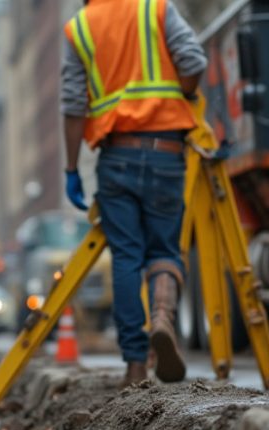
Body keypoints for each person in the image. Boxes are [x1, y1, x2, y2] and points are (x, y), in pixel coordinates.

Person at [61, 0, 207, 387]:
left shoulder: (79, 28)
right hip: (166, 153)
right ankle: (162, 318)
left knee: (126, 257)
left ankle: (135, 365)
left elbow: (74, 104)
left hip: (117, 157)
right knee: (163, 251)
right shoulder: (156, 9)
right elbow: (193, 63)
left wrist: (72, 168)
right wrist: (183, 96)